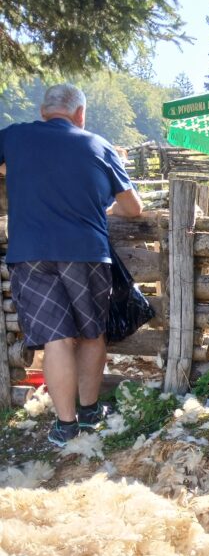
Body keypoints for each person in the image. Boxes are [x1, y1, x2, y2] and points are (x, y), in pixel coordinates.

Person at [0, 83, 143, 446]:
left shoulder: (14, 137)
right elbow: (133, 208)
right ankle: (91, 410)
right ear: (80, 114)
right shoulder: (98, 144)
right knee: (92, 334)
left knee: (57, 341)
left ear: (43, 110)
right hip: (87, 253)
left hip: (30, 254)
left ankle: (66, 426)